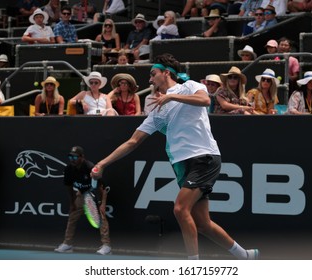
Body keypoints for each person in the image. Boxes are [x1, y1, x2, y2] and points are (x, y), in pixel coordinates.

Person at [91, 53, 259, 260]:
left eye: (153, 74)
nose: (150, 79)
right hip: (182, 165)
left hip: (203, 157)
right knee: (203, 224)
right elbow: (132, 142)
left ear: (166, 73)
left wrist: (171, 96)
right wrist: (103, 163)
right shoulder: (157, 111)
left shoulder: (190, 87)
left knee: (180, 209)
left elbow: (205, 100)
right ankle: (245, 255)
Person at [54, 146, 112, 255]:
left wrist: (102, 204)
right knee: (72, 216)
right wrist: (72, 203)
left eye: (75, 157)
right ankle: (67, 244)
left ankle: (106, 246)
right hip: (82, 194)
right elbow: (69, 187)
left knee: (102, 218)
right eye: (70, 157)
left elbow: (102, 188)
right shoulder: (68, 169)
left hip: (96, 193)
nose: (72, 159)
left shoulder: (91, 167)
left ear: (82, 157)